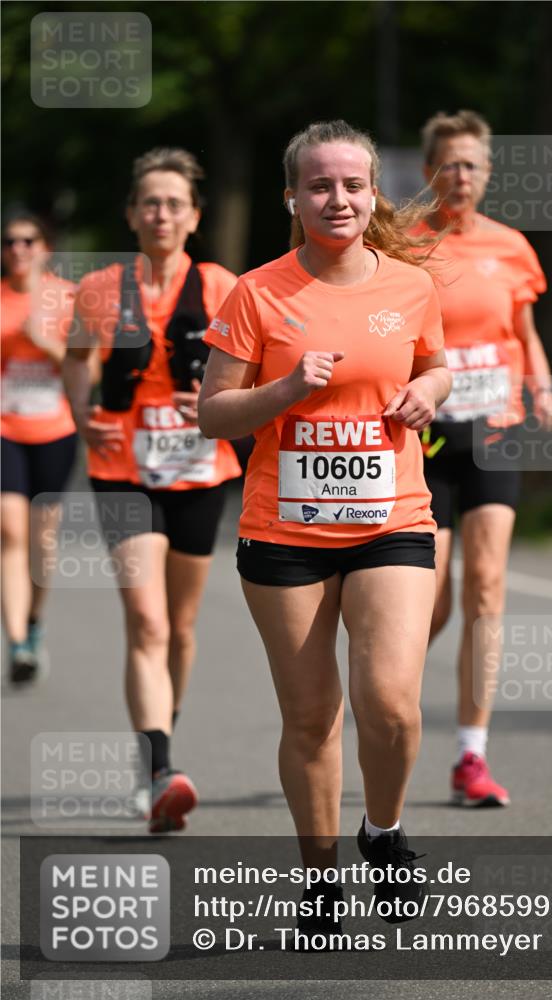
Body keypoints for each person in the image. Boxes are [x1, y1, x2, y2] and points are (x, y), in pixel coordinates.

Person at [199, 120, 451, 933]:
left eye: (350, 184)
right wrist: (282, 393)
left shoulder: (409, 285)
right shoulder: (257, 292)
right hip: (284, 532)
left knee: (391, 703)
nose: (335, 199)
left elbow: (436, 363)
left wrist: (431, 394)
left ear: (371, 192)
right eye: (318, 185)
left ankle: (382, 832)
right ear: (292, 197)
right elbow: (212, 413)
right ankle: (319, 880)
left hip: (391, 520)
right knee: (311, 717)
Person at [62, 148, 241, 833]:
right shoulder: (101, 289)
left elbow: (254, 370)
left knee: (182, 628)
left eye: (174, 203)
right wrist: (84, 420)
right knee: (148, 622)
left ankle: (161, 732)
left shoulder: (223, 286)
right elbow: (78, 361)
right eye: (149, 202)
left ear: (193, 217)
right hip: (123, 474)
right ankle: (161, 767)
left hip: (200, 472)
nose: (161, 213)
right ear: (131, 214)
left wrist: (224, 398)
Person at [416, 110, 552, 806]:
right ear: (428, 172)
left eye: (472, 165)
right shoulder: (402, 247)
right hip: (428, 436)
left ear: (486, 174)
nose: (461, 176)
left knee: (485, 589)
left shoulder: (510, 247)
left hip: (495, 427)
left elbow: (522, 331)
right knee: (432, 598)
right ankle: (388, 688)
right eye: (449, 164)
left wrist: (540, 388)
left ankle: (470, 756)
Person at [1, 213, 78, 685]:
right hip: (5, 428)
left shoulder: (66, 298)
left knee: (42, 541)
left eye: (28, 241)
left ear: (45, 247)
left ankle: (32, 621)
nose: (18, 248)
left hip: (54, 429)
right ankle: (16, 644)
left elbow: (81, 366)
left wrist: (41, 339)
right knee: (10, 530)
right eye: (10, 242)